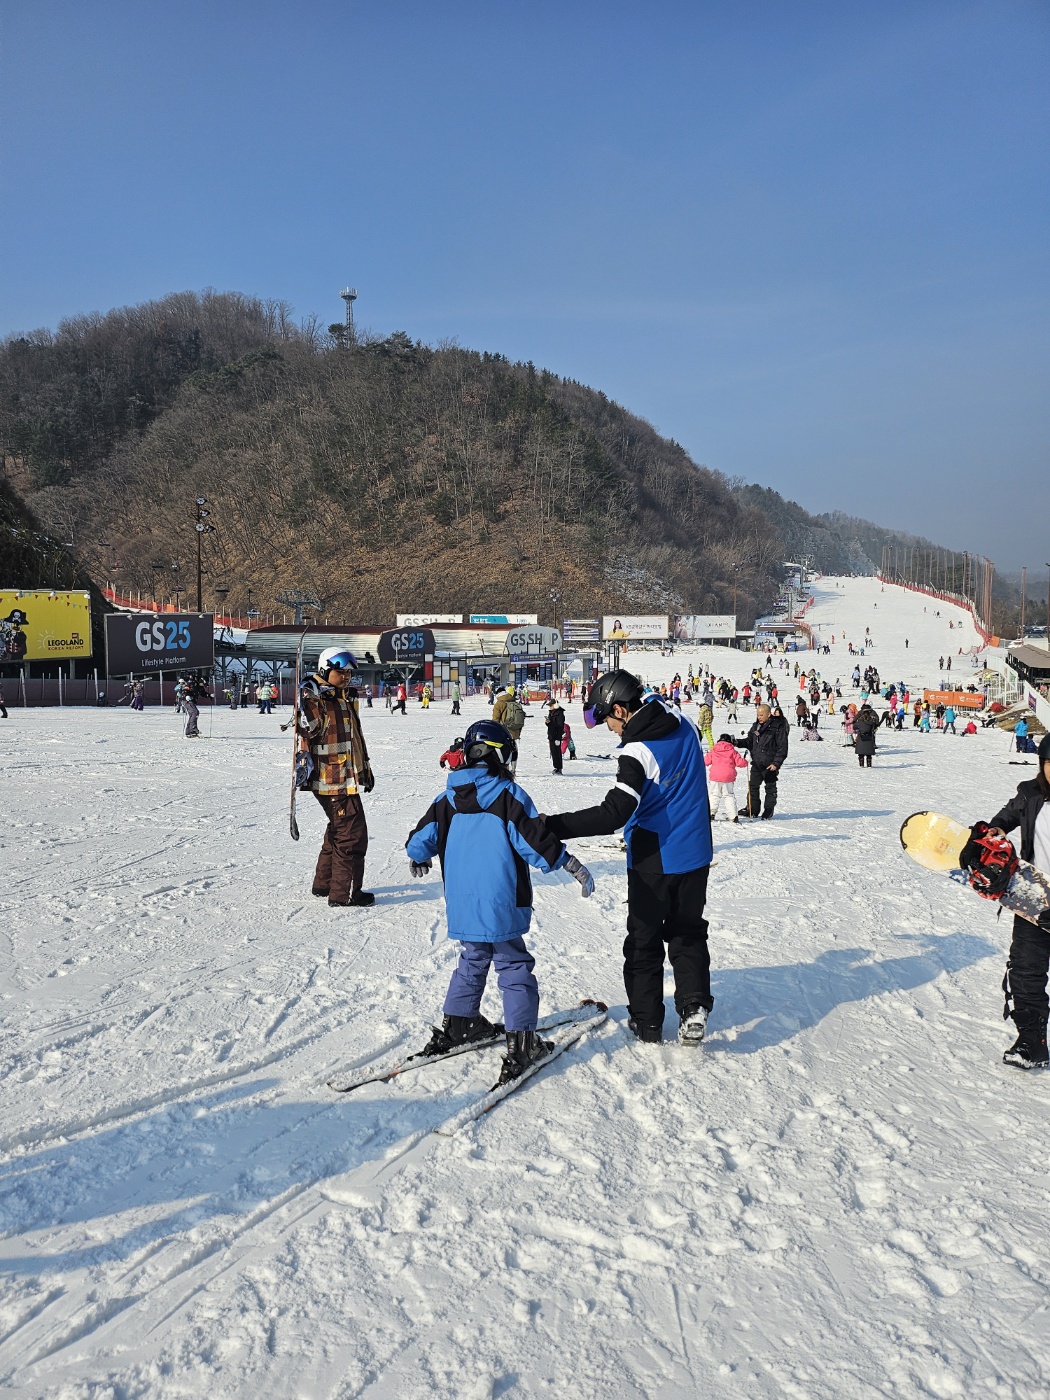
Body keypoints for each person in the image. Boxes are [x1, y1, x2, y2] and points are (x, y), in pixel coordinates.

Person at [405, 719, 594, 1084]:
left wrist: (419, 856)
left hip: (463, 905)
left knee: (473, 958)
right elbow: (535, 842)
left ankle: (459, 1025)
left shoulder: (446, 799)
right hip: (503, 902)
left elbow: (418, 841)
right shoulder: (508, 796)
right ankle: (522, 1044)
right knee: (513, 966)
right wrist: (571, 864)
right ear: (498, 756)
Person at [543, 671, 714, 1046]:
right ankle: (694, 1005)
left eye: (607, 719)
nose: (609, 728)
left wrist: (553, 825)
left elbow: (613, 814)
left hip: (654, 859)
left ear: (620, 709)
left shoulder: (637, 752)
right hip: (698, 851)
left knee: (644, 939)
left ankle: (648, 1022)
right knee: (687, 931)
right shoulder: (682, 721)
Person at [963, 735, 1050, 1068]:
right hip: (1033, 897)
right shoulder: (1030, 794)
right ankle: (1032, 1042)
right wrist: (989, 834)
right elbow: (1002, 821)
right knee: (1026, 970)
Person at [297, 646, 375, 908]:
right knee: (352, 835)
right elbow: (308, 729)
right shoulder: (316, 697)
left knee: (339, 829)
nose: (345, 677)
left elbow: (355, 740)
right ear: (324, 670)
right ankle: (346, 893)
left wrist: (365, 771)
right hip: (331, 779)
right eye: (339, 672)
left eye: (348, 673)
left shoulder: (343, 698)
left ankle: (325, 883)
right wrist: (307, 698)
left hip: (345, 777)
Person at [736, 703, 789, 819]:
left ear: (769, 714)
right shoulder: (756, 726)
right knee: (753, 786)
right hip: (757, 762)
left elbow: (782, 747)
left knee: (770, 787)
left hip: (770, 764)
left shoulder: (778, 727)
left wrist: (776, 763)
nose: (759, 717)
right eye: (758, 715)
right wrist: (737, 742)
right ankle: (753, 809)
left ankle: (768, 810)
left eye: (761, 715)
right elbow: (749, 741)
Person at [705, 732, 748, 822]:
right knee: (729, 795)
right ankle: (733, 816)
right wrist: (746, 760)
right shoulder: (733, 751)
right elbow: (740, 763)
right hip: (728, 777)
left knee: (714, 795)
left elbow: (705, 761)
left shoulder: (714, 750)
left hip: (715, 776)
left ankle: (711, 814)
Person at [492, 684, 526, 755]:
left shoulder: (499, 703)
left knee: (504, 753)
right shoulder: (513, 700)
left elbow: (495, 719)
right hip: (515, 730)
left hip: (504, 732)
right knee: (512, 750)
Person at [853, 703, 878, 768]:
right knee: (869, 754)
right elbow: (876, 723)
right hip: (870, 738)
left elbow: (854, 725)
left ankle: (861, 764)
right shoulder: (872, 721)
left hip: (861, 738)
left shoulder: (860, 722)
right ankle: (869, 764)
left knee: (861, 754)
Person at [546, 699, 566, 774]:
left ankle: (559, 768)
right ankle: (556, 767)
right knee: (553, 752)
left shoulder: (560, 714)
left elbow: (560, 727)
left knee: (557, 752)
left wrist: (558, 738)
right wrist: (547, 722)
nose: (550, 707)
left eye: (551, 705)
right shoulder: (551, 713)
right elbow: (550, 724)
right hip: (551, 735)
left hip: (556, 736)